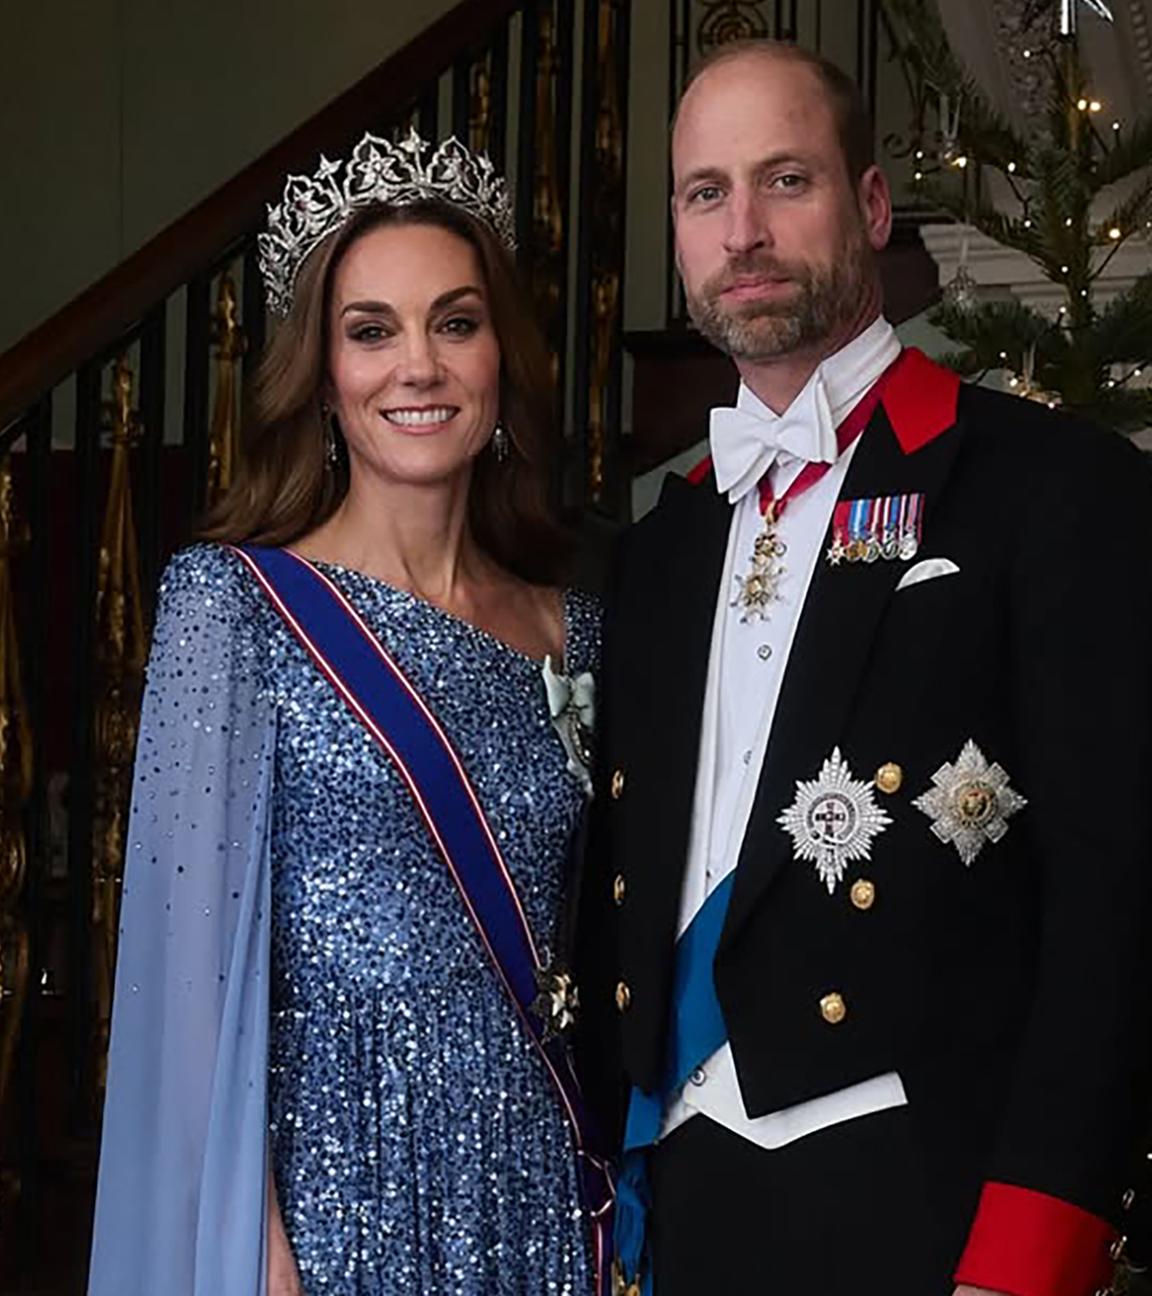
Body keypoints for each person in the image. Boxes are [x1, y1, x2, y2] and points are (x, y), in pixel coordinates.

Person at [575, 39, 1152, 1296]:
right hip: (689, 1205)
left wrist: (1030, 1247)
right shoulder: (658, 553)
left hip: (929, 1207)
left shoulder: (1052, 492)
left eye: (787, 179)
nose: (745, 231)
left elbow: (1117, 899)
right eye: (706, 193)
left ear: (872, 206)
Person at [88, 130, 612, 1296]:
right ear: (324, 375)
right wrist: (255, 1256)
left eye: (455, 322)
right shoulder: (231, 607)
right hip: (334, 1203)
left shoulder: (578, 631)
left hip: (536, 1181)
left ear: (498, 358)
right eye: (372, 331)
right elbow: (185, 1002)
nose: (416, 365)